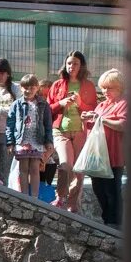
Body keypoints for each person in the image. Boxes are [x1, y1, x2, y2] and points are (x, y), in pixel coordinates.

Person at [47, 51, 97, 212]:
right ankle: (60, 198)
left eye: (75, 63)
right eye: (69, 63)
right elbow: (47, 109)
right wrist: (60, 103)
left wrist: (80, 102)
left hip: (80, 131)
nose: (71, 66)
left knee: (78, 169)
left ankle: (73, 204)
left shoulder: (88, 85)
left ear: (81, 66)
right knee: (66, 165)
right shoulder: (57, 84)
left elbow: (94, 110)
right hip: (61, 130)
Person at [81, 69, 127, 230]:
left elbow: (123, 125)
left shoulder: (124, 103)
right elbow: (91, 127)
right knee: (98, 189)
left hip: (114, 156)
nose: (105, 91)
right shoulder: (101, 105)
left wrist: (100, 119)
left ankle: (114, 223)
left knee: (112, 191)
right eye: (104, 87)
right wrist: (86, 118)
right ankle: (108, 220)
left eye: (110, 88)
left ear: (120, 87)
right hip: (97, 157)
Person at [7, 74, 54, 198]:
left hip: (37, 140)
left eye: (32, 87)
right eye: (25, 87)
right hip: (22, 141)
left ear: (37, 88)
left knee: (34, 168)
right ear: (21, 88)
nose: (28, 90)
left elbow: (48, 124)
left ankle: (34, 197)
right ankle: (23, 196)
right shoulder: (16, 104)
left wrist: (49, 141)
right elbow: (10, 124)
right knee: (23, 169)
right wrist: (10, 142)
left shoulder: (43, 104)